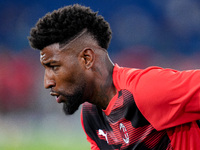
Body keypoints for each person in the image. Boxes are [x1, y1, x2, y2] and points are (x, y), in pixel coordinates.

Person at [28, 4, 200, 150]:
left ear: (87, 59)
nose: (47, 82)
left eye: (54, 67)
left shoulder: (144, 91)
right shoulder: (92, 117)